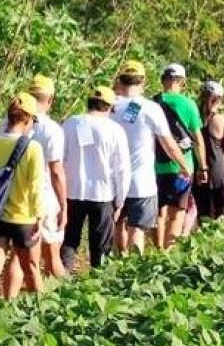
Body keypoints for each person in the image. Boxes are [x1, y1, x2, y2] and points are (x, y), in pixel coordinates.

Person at [111, 61, 189, 254]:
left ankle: (118, 262)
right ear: (143, 82)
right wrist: (184, 165)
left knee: (118, 224)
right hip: (141, 182)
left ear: (120, 80)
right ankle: (131, 270)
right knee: (136, 228)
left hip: (113, 180)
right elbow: (169, 144)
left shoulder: (109, 107)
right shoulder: (150, 108)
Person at [0, 94, 46, 306]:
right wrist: (39, 216)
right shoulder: (33, 149)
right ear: (27, 120)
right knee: (31, 269)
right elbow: (35, 186)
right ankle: (41, 314)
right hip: (22, 217)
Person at [3, 76, 67, 292]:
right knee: (51, 255)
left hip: (12, 195)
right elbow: (56, 172)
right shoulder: (51, 129)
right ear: (50, 99)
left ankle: (7, 305)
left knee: (17, 256)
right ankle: (65, 300)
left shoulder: (8, 122)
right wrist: (64, 206)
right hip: (43, 197)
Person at [59, 87, 130, 271]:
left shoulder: (70, 124)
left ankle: (62, 278)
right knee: (101, 244)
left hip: (73, 191)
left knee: (69, 239)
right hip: (103, 194)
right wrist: (120, 201)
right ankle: (98, 281)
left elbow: (59, 159)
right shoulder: (115, 130)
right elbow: (122, 169)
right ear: (109, 107)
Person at [154, 65, 206, 248]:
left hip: (156, 166)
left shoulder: (152, 103)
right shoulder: (189, 104)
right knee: (177, 214)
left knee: (159, 213)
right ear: (182, 82)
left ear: (163, 80)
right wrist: (203, 167)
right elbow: (198, 139)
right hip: (182, 167)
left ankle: (158, 250)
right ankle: (168, 254)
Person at [194, 81, 224, 222]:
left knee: (204, 216)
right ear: (220, 99)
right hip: (219, 172)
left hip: (200, 172)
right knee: (221, 215)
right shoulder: (222, 120)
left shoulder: (195, 119)